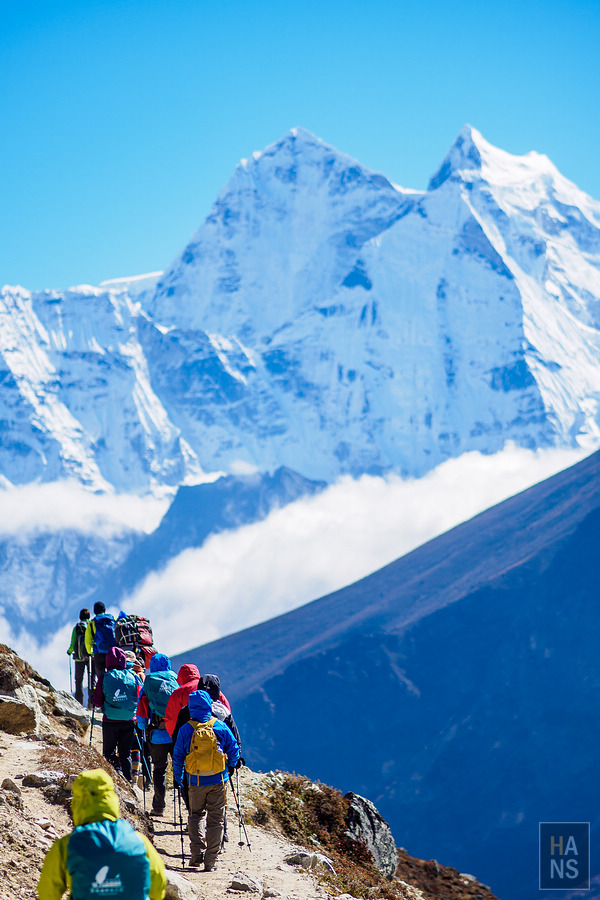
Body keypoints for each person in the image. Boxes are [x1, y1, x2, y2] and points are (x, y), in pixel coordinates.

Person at [37, 768, 166, 900]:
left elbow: (47, 894)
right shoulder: (139, 841)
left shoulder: (66, 847)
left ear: (77, 802)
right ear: (111, 799)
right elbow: (158, 889)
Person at [173, 689, 240, 871]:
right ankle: (210, 861)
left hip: (195, 781)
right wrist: (231, 765)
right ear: (208, 705)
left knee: (196, 816)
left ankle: (196, 854)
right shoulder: (219, 726)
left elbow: (178, 755)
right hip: (218, 779)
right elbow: (233, 748)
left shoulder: (186, 729)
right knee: (216, 819)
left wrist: (178, 778)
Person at [136, 653, 179, 816]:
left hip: (157, 734)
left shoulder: (149, 683)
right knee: (179, 767)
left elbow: (141, 709)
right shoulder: (176, 681)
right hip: (176, 734)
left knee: (159, 769)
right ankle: (188, 805)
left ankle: (159, 806)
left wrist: (141, 727)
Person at [93, 646, 142, 783]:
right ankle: (127, 780)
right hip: (129, 720)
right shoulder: (133, 676)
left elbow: (97, 702)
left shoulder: (104, 678)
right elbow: (140, 695)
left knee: (108, 753)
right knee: (125, 754)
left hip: (110, 720)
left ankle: (115, 775)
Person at [85, 600, 117, 682]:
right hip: (112, 652)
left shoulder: (92, 623)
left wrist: (90, 652)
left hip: (99, 654)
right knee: (113, 675)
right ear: (104, 609)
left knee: (101, 678)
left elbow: (88, 640)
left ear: (95, 611)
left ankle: (103, 693)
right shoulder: (112, 619)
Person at [67, 607, 91, 705]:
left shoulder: (76, 627)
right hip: (90, 657)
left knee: (78, 680)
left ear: (80, 617)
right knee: (91, 680)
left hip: (79, 658)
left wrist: (69, 651)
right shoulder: (91, 625)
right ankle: (91, 704)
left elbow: (73, 643)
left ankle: (79, 703)